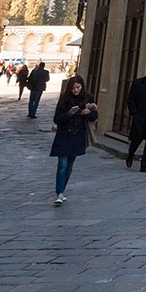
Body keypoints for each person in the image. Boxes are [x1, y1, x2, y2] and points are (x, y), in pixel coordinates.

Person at [49, 75, 97, 205]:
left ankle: (62, 190)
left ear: (82, 87)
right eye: (73, 88)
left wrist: (89, 113)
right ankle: (59, 193)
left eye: (78, 87)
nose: (75, 90)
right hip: (64, 135)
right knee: (62, 164)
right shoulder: (64, 98)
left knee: (69, 165)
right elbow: (56, 118)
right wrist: (68, 114)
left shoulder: (88, 98)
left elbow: (94, 116)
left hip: (78, 136)